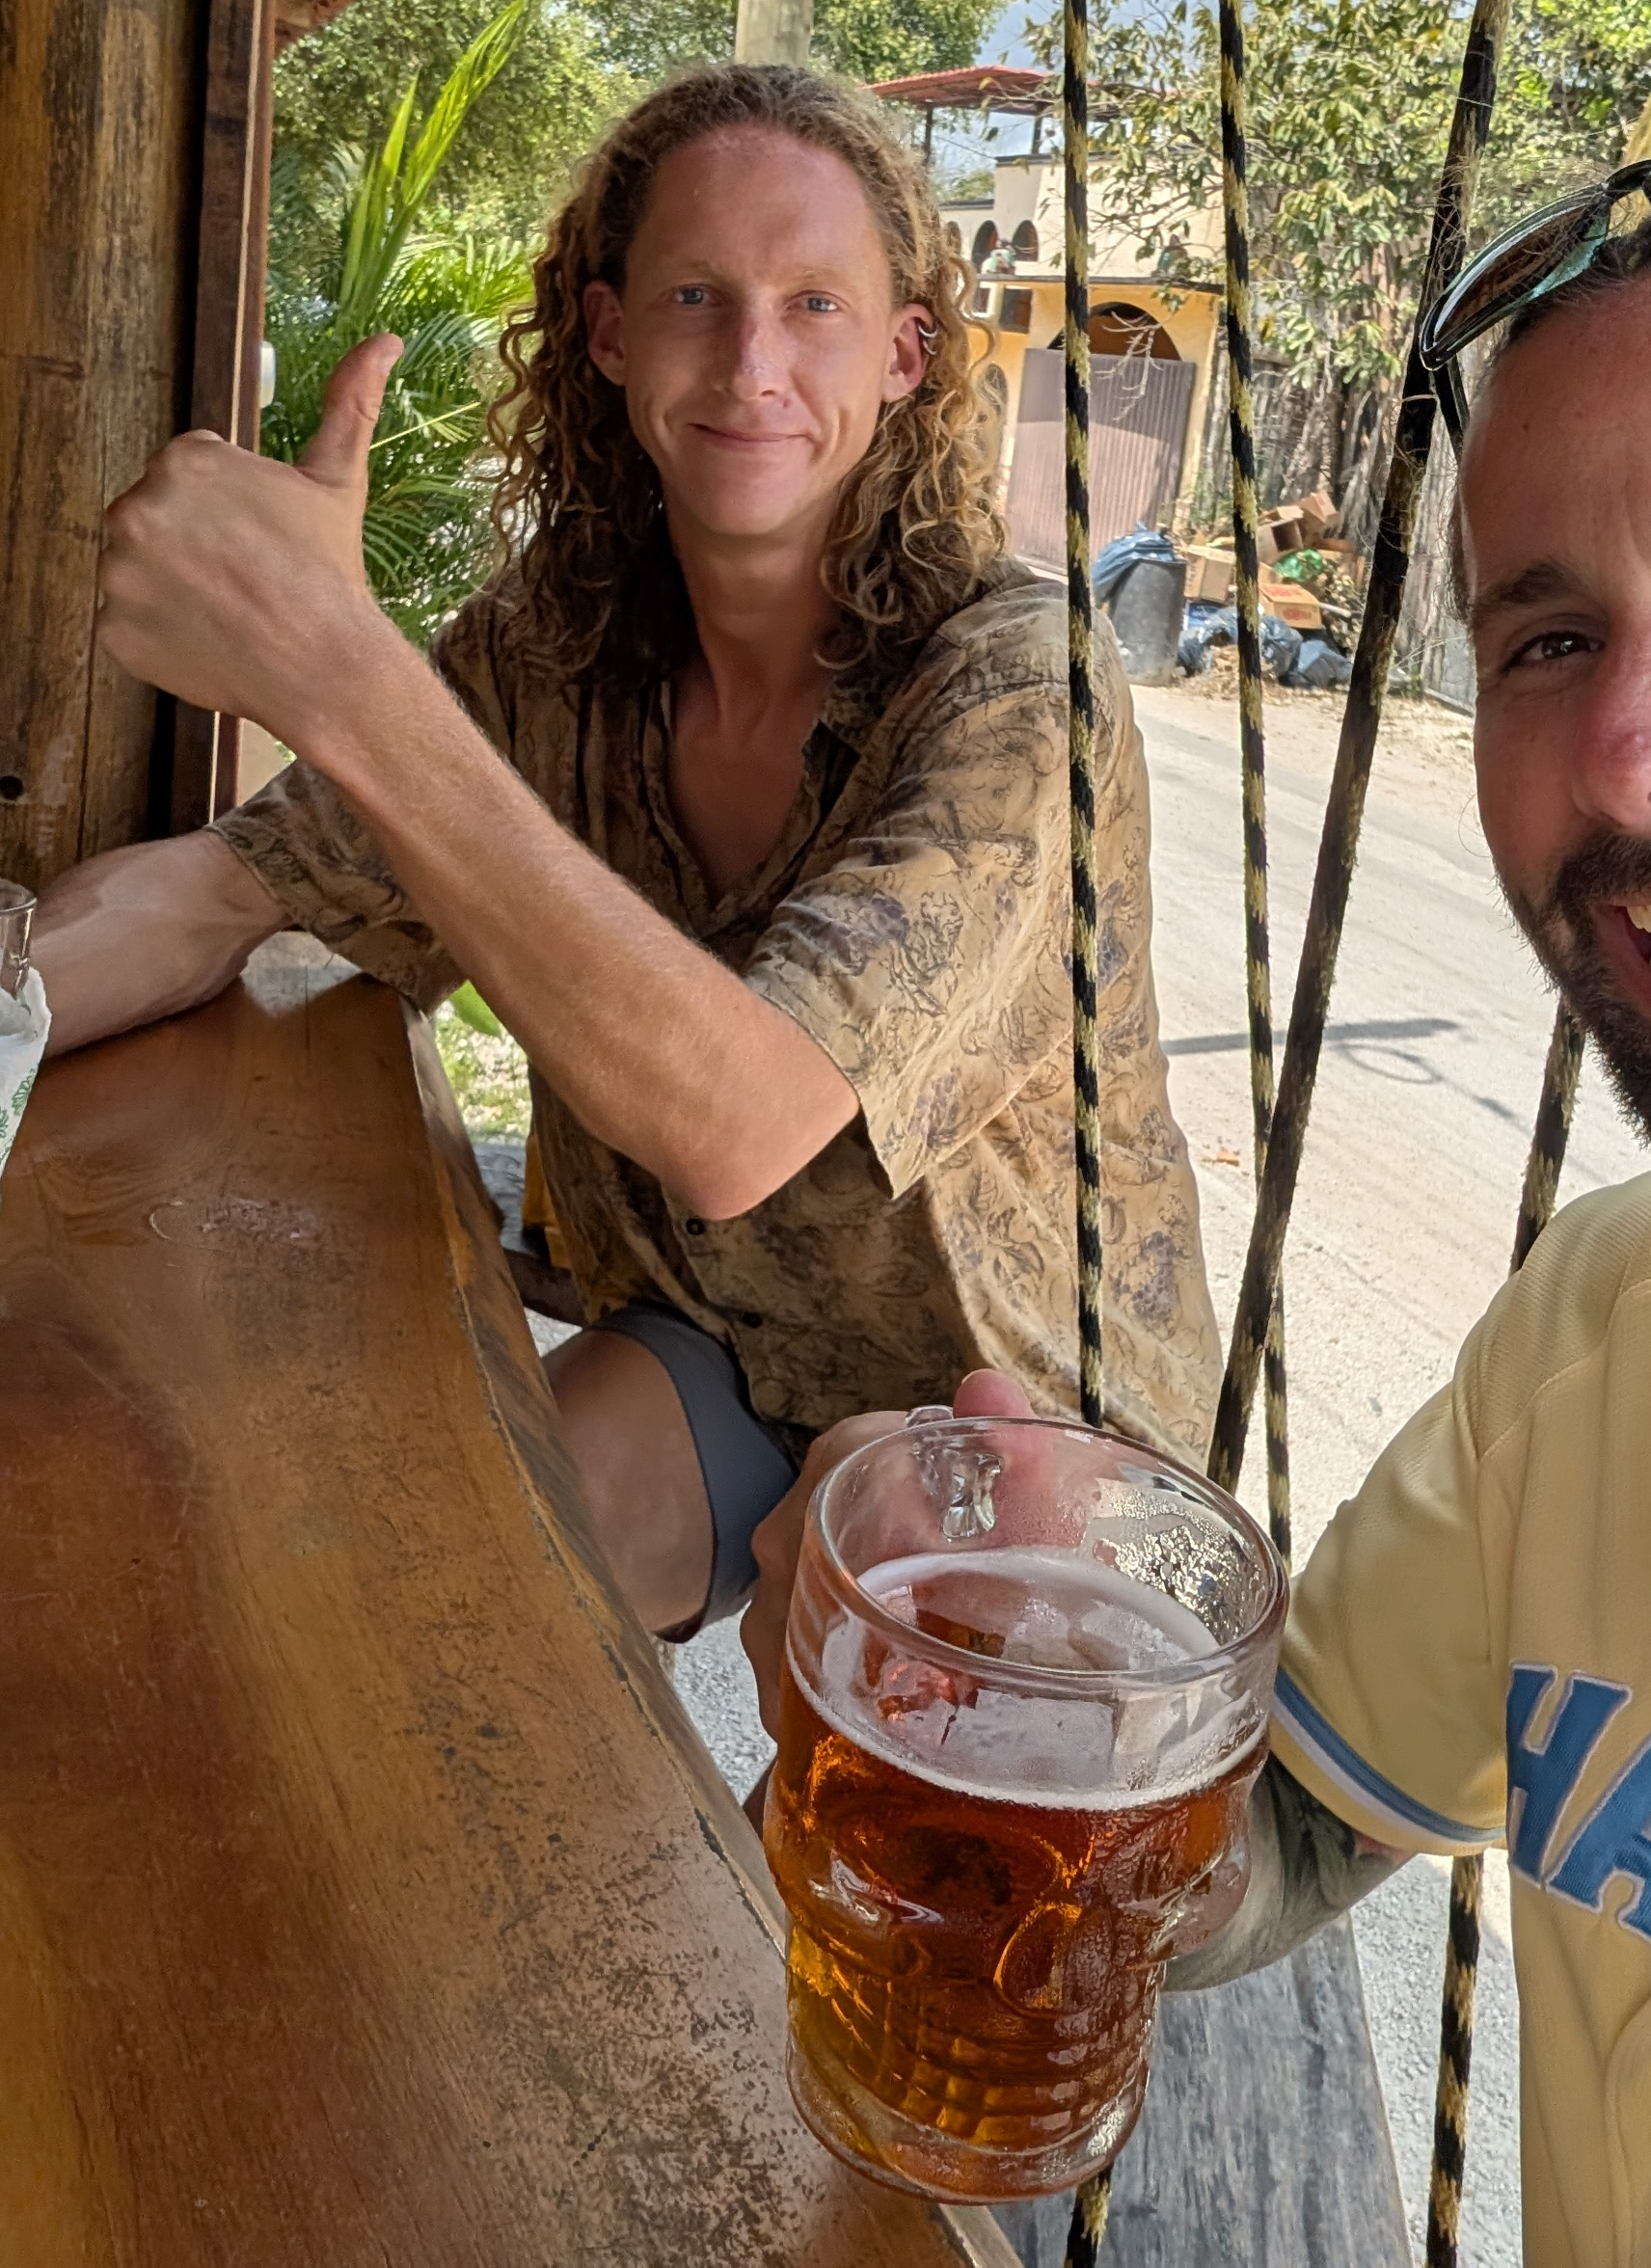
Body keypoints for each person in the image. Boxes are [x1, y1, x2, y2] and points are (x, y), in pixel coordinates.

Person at [744, 132, 1651, 2265]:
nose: (1640, 741)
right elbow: (1283, 1840)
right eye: (1545, 636)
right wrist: (1056, 1726)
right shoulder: (1609, 1323)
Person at [54, 64, 1218, 1641]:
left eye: (815, 303)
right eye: (694, 294)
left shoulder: (1021, 684)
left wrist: (339, 678)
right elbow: (215, 889)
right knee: (394, 1608)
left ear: (903, 357)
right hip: (724, 1359)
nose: (752, 362)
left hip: (1029, 1463)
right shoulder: (557, 647)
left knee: (810, 1871)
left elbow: (741, 1121)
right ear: (607, 336)